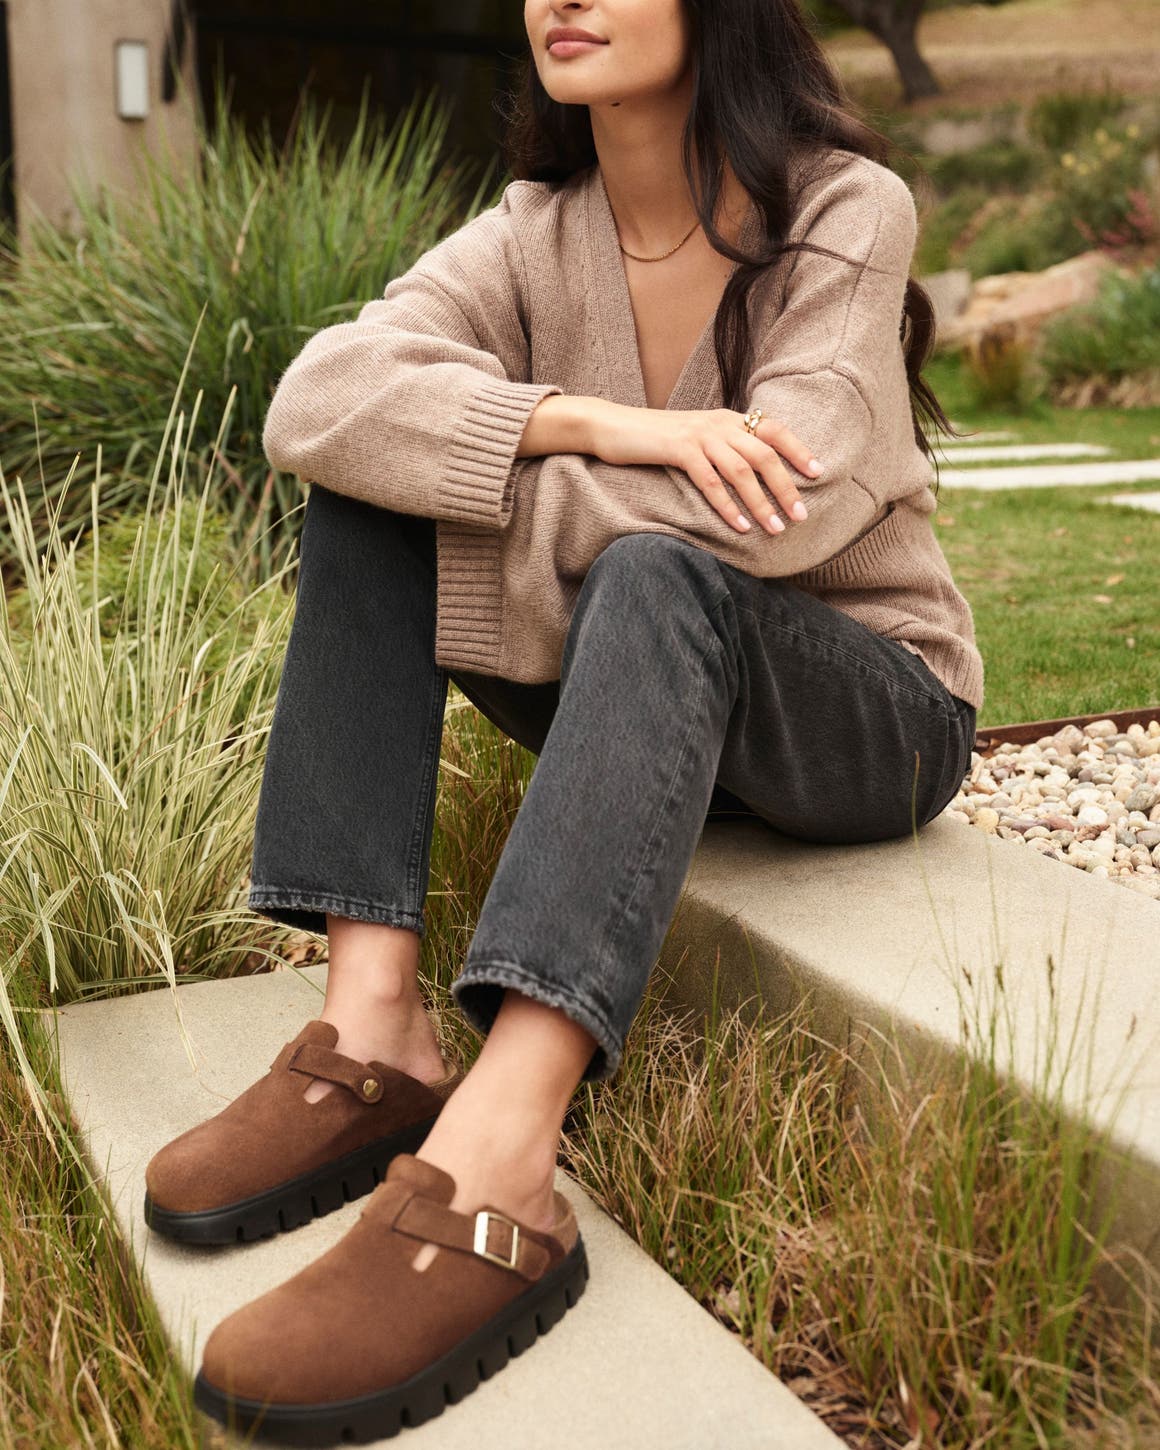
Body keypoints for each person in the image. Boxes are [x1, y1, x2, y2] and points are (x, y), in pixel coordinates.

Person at [144, 0, 984, 1440]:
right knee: (371, 483)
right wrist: (602, 423)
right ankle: (375, 1033)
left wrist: (479, 467)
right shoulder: (535, 232)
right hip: (639, 682)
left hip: (866, 706)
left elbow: (774, 513)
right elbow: (318, 399)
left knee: (635, 559)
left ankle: (504, 1152)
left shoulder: (846, 210)